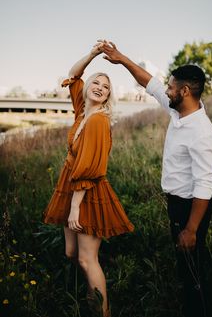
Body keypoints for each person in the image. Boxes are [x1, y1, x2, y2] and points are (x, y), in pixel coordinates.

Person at [101, 41, 212, 317]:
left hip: (191, 207)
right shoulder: (178, 110)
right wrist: (121, 59)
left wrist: (191, 229)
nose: (165, 90)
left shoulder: (202, 133)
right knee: (187, 264)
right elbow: (151, 83)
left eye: (171, 87)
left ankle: (200, 308)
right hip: (178, 203)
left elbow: (205, 186)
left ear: (184, 91)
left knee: (192, 268)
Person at [43, 42, 134, 317]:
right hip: (72, 186)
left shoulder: (98, 121)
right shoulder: (83, 110)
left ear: (108, 97)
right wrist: (94, 54)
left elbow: (90, 167)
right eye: (97, 81)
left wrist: (74, 206)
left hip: (87, 191)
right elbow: (74, 74)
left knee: (86, 258)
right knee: (72, 253)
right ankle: (90, 296)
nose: (100, 87)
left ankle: (102, 311)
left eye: (106, 87)